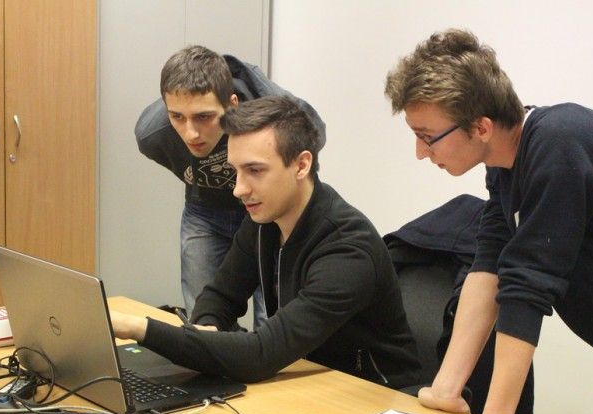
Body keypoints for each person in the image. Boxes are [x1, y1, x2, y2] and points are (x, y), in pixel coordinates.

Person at [385, 28, 593, 414]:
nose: (420, 152)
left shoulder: (560, 142)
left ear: (481, 127)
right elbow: (489, 266)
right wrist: (446, 387)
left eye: (427, 136)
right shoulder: (506, 166)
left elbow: (527, 284)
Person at [114, 95, 420, 388]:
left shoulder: (348, 250)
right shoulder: (265, 220)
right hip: (309, 382)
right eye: (235, 171)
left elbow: (259, 355)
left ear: (301, 165)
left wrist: (137, 328)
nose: (239, 189)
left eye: (255, 170)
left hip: (375, 398)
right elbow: (221, 295)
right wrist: (208, 327)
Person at [135, 45, 326, 326]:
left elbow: (314, 133)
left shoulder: (268, 114)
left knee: (272, 318)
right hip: (205, 211)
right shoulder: (152, 135)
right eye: (177, 117)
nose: (191, 133)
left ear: (232, 104)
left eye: (204, 117)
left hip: (268, 213)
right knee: (202, 313)